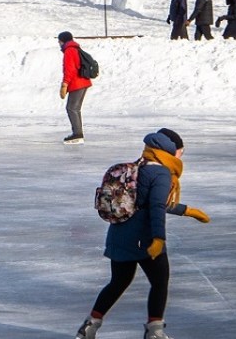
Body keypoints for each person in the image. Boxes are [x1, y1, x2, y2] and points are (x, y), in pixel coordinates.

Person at [73, 128, 211, 339]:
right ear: (171, 150)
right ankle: (154, 332)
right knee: (160, 281)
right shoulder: (161, 173)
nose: (181, 155)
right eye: (180, 151)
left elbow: (149, 202)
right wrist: (158, 239)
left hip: (118, 235)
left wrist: (186, 211)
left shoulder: (139, 166)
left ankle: (89, 327)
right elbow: (156, 207)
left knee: (118, 282)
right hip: (143, 239)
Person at [58, 31, 92, 143]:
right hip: (83, 82)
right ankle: (78, 133)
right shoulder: (75, 48)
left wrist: (65, 84)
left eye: (60, 41)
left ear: (63, 41)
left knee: (71, 108)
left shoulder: (69, 51)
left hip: (77, 83)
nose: (59, 43)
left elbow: (70, 70)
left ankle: (77, 134)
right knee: (75, 109)